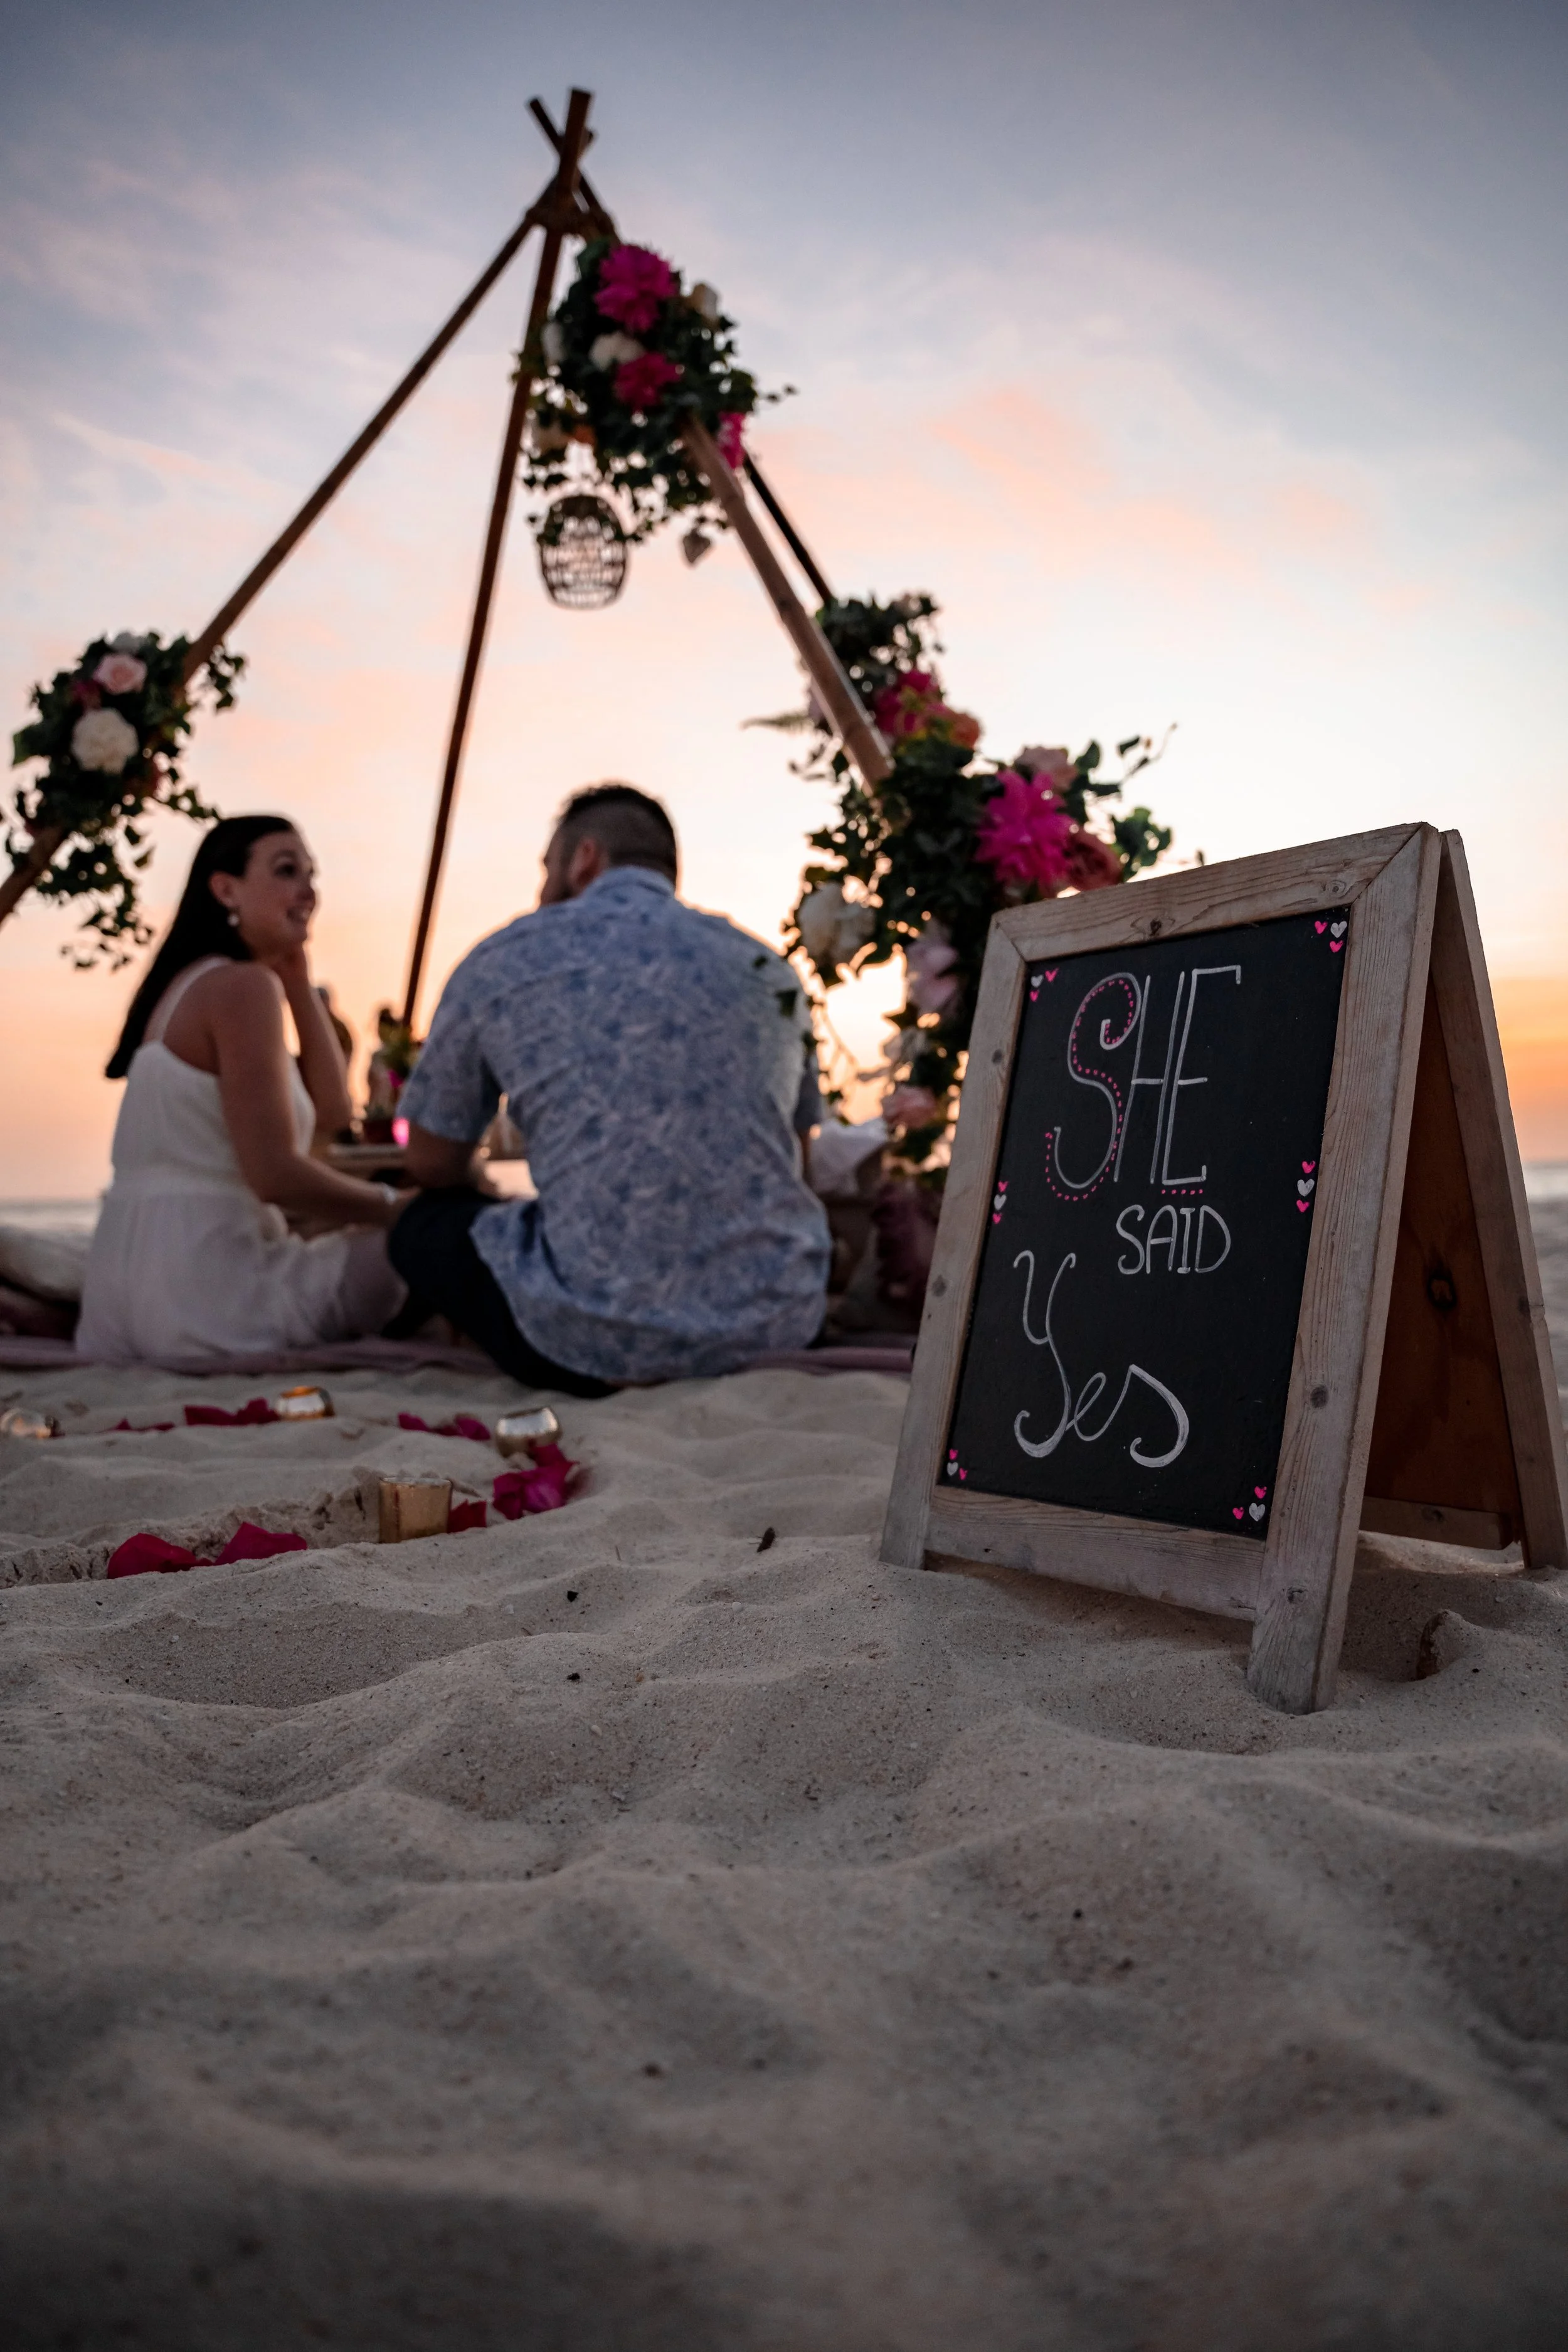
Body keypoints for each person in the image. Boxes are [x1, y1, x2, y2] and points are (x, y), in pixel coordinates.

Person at [392, 783, 830, 1392]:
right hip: (774, 1322)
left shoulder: (502, 957)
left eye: (546, 869)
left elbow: (430, 1161)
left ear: (584, 859)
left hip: (589, 1343)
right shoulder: (767, 968)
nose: (542, 889)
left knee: (422, 1227)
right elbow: (796, 1163)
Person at [77, 815, 408, 1362]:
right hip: (208, 1296)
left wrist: (299, 984)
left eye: (312, 875)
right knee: (424, 1240)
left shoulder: (192, 986)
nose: (309, 891)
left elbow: (332, 1111)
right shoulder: (240, 988)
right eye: (286, 871)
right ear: (226, 888)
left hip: (122, 1296)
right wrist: (395, 1207)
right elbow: (274, 1173)